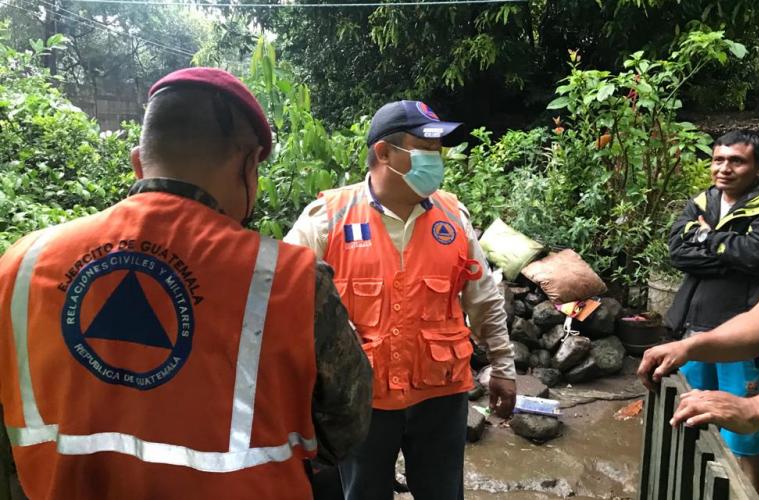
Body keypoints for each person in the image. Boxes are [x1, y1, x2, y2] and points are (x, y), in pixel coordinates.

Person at [0, 67, 372, 500]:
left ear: (138, 160)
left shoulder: (21, 265)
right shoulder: (292, 281)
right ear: (249, 164)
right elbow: (345, 429)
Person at [285, 100, 516, 500]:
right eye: (425, 148)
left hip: (440, 396)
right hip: (361, 399)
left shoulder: (453, 217)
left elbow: (484, 299)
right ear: (384, 153)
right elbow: (283, 298)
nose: (436, 158)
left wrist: (503, 366)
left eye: (439, 148)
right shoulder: (328, 218)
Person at [638, 129, 759, 493]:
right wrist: (729, 251)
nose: (724, 169)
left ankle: (749, 491)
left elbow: (758, 256)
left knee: (745, 427)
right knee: (692, 410)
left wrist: (707, 238)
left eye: (736, 161)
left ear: (758, 166)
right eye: (718, 160)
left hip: (744, 330)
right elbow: (677, 251)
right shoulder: (705, 199)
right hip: (693, 326)